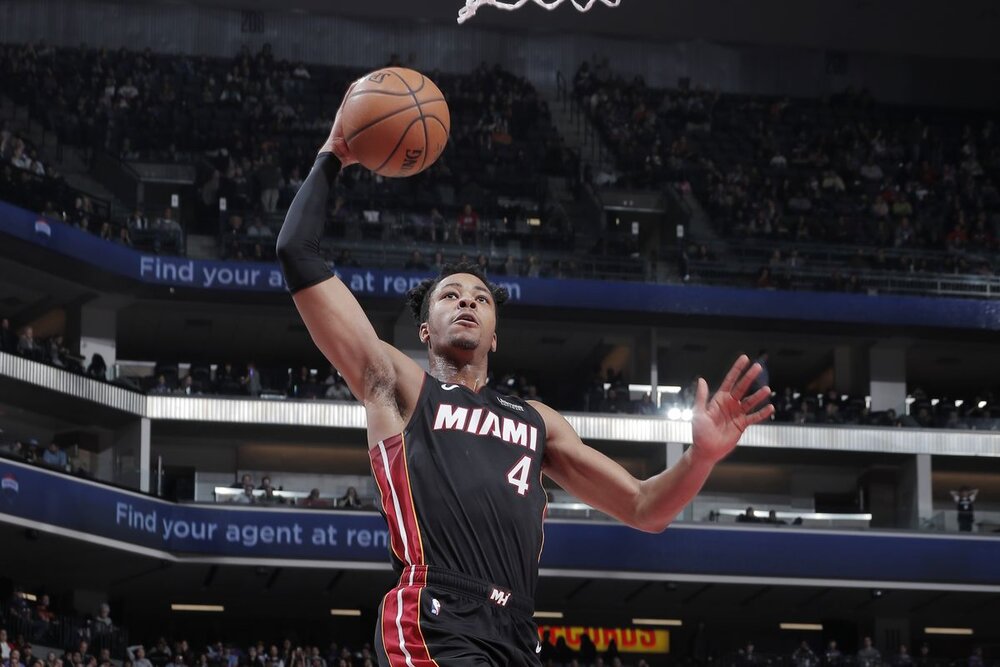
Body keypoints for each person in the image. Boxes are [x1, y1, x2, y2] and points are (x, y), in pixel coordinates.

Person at [275, 81, 773, 667]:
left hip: (516, 633)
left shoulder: (538, 422)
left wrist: (702, 458)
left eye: (480, 299)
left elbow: (645, 509)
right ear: (425, 331)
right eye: (450, 296)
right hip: (435, 617)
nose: (467, 302)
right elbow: (297, 253)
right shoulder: (399, 384)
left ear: (495, 333)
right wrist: (334, 150)